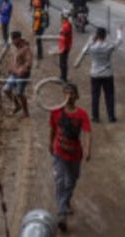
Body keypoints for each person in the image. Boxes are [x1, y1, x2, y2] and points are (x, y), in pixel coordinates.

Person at [49, 83, 91, 232]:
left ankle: (65, 203)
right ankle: (62, 214)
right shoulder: (56, 112)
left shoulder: (82, 114)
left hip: (75, 155)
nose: (68, 96)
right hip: (59, 152)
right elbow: (53, 129)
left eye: (71, 93)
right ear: (62, 96)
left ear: (77, 96)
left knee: (71, 182)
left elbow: (87, 132)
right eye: (65, 93)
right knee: (59, 181)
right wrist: (50, 144)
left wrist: (87, 149)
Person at [86, 26, 122, 122]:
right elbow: (119, 41)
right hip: (107, 74)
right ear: (105, 36)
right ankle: (111, 116)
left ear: (97, 36)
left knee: (95, 96)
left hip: (95, 74)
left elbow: (85, 51)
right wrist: (119, 31)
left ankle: (95, 116)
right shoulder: (108, 46)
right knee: (109, 96)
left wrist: (91, 40)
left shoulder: (92, 47)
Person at [3, 31, 32, 118]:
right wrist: (12, 67)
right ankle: (17, 105)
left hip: (22, 75)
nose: (12, 42)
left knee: (19, 93)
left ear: (18, 39)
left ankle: (26, 112)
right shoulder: (17, 47)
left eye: (13, 40)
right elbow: (16, 60)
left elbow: (28, 63)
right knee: (6, 90)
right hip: (14, 73)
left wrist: (21, 71)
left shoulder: (26, 49)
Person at [55, 10, 73, 81]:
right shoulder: (66, 24)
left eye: (61, 16)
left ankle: (63, 77)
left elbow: (65, 35)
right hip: (65, 46)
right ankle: (62, 76)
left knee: (63, 62)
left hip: (64, 46)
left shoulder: (66, 25)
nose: (60, 18)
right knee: (62, 62)